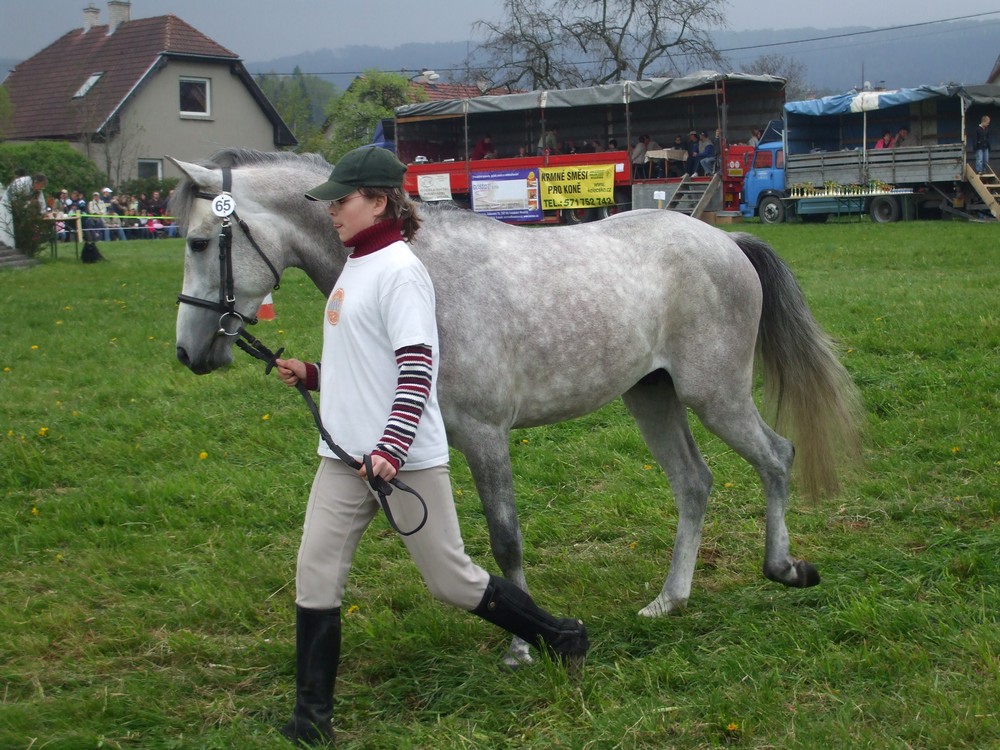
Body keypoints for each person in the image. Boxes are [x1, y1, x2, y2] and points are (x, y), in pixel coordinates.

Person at [272, 146, 589, 745]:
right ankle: (310, 719)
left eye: (342, 200)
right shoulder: (354, 268)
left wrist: (392, 449)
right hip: (344, 460)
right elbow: (368, 362)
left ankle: (560, 635)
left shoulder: (401, 270)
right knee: (315, 576)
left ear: (380, 200)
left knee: (453, 582)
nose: (331, 211)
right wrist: (313, 374)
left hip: (402, 461)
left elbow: (418, 367)